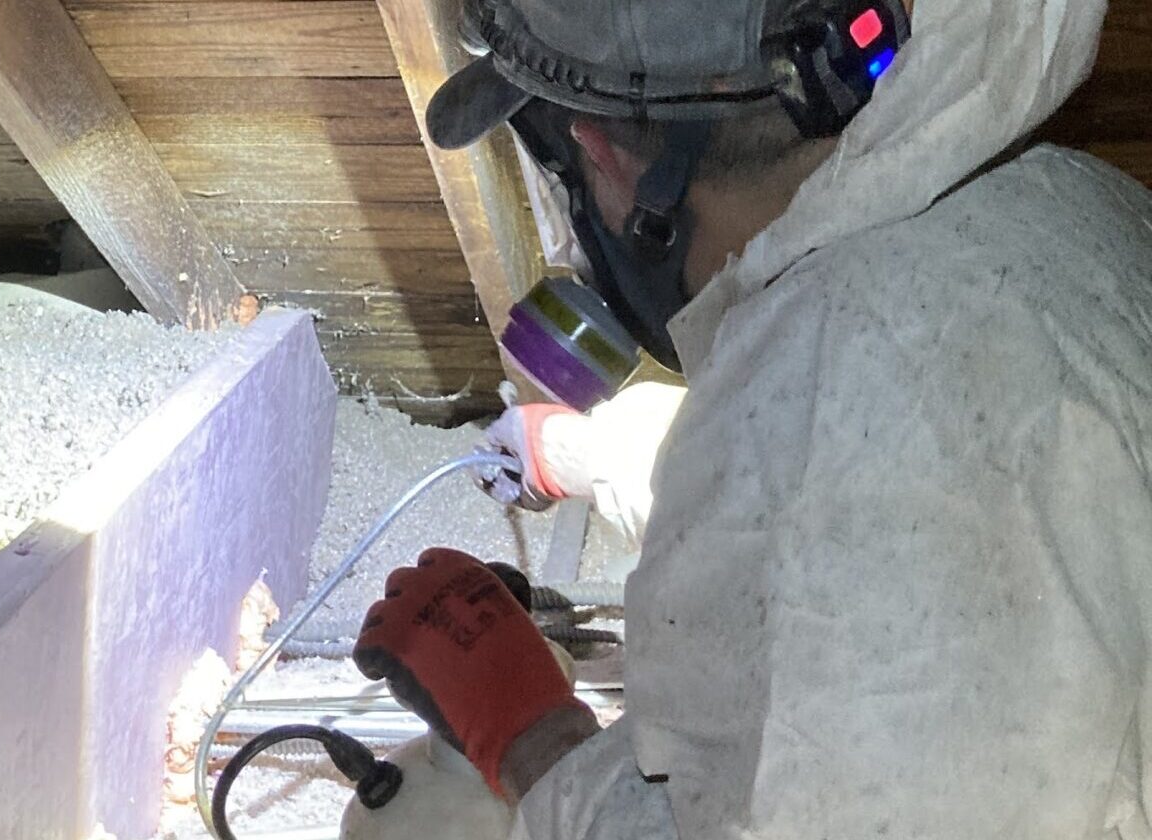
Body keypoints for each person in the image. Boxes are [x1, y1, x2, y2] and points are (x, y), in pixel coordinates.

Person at [353, 0, 1152, 836]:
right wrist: (591, 453)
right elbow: (840, 479)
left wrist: (531, 740)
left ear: (594, 148)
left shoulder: (846, 407)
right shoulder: (1063, 195)